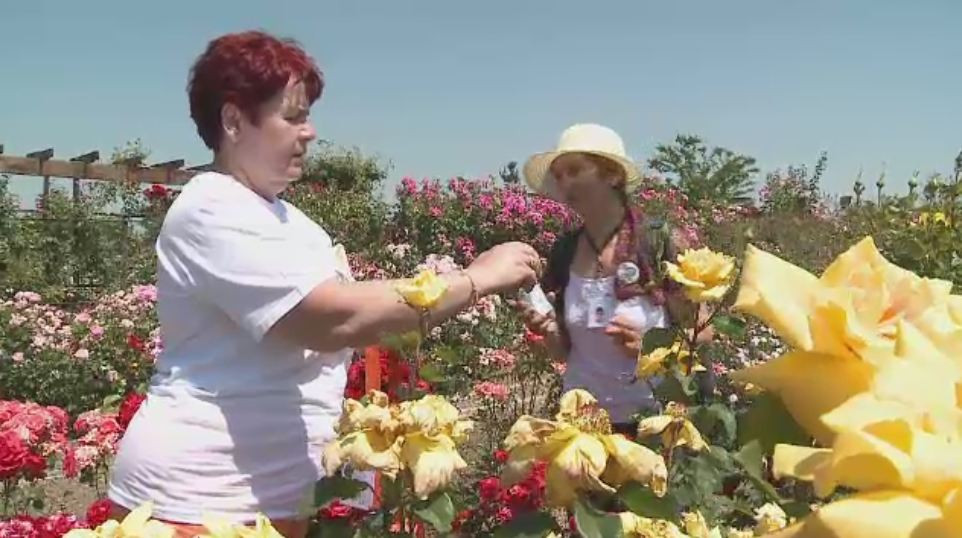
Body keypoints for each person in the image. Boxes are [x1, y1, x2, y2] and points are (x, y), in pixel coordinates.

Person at [106, 30, 541, 538]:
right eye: (292, 116)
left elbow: (360, 320)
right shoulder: (210, 207)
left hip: (274, 498)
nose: (309, 132)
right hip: (196, 503)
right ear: (233, 120)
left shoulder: (291, 222)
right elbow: (330, 317)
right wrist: (476, 279)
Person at [515, 123, 706, 433]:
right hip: (584, 424)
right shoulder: (565, 251)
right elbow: (564, 351)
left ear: (612, 175)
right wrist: (548, 330)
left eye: (575, 170)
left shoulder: (659, 243)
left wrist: (653, 351)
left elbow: (703, 334)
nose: (564, 182)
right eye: (559, 175)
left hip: (654, 422)